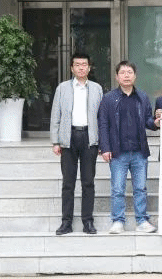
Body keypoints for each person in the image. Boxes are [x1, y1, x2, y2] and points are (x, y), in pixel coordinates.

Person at [98, 61, 160, 234]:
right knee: (118, 189)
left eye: (129, 72)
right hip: (118, 152)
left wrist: (155, 123)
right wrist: (105, 148)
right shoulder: (109, 98)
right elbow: (103, 124)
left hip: (139, 151)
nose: (126, 75)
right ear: (117, 77)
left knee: (140, 188)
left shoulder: (142, 97)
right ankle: (118, 221)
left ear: (135, 76)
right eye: (123, 72)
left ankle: (142, 221)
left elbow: (148, 120)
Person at [49, 52, 104, 235]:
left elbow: (101, 117)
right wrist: (55, 141)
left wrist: (101, 141)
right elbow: (55, 115)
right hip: (68, 137)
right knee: (68, 183)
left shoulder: (97, 88)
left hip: (89, 137)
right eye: (77, 64)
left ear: (89, 68)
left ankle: (88, 221)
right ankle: (66, 222)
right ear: (72, 68)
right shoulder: (62, 88)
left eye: (84, 64)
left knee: (88, 182)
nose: (81, 67)